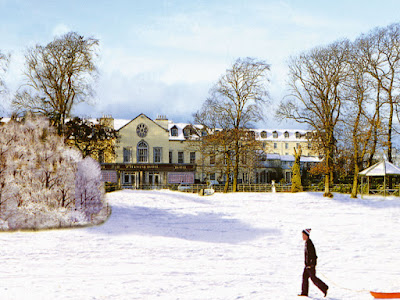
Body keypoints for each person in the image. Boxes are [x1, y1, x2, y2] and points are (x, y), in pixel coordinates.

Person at [298, 228, 329, 297]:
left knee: (313, 279)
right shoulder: (307, 243)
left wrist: (312, 264)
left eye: (303, 235)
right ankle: (304, 292)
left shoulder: (309, 243)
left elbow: (314, 256)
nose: (302, 237)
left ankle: (324, 288)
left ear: (307, 235)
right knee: (305, 277)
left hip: (310, 266)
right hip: (307, 265)